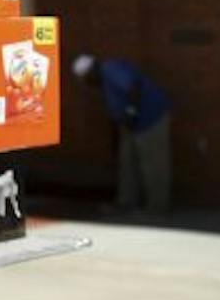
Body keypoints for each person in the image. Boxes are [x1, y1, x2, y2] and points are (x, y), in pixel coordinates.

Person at [73, 52, 172, 214]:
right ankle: (127, 202)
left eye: (87, 80)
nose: (89, 85)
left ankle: (157, 207)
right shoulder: (103, 83)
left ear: (91, 71)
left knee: (153, 164)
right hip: (131, 125)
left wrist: (131, 112)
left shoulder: (110, 69)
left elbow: (134, 87)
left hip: (150, 118)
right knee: (127, 163)